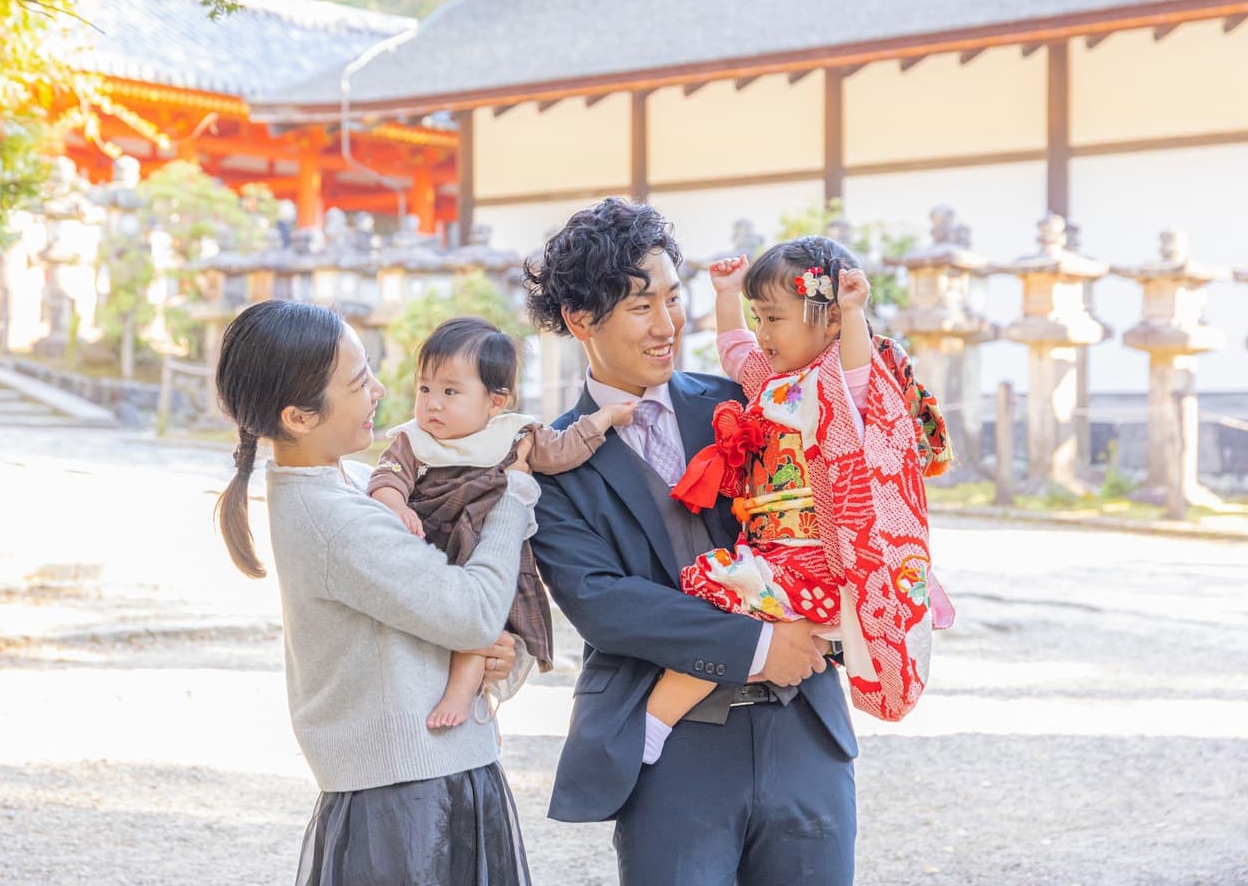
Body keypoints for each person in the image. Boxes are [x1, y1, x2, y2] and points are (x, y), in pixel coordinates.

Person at [524, 198, 858, 886]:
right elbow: (602, 603)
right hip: (670, 751)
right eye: (642, 306)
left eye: (674, 300)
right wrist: (763, 645)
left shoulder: (749, 403)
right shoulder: (552, 458)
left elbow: (837, 510)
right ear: (581, 319)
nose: (669, 324)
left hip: (805, 736)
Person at [213, 300, 535, 886]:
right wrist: (515, 498)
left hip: (425, 778)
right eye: (360, 382)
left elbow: (460, 617)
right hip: (408, 799)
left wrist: (497, 657)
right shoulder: (336, 519)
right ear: (300, 417)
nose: (381, 390)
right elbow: (472, 611)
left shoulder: (358, 485)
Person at [642, 237, 955, 761]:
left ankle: (655, 721)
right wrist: (725, 295)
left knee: (728, 612)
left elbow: (857, 367)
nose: (763, 333)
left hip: (819, 557)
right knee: (736, 626)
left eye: (774, 318)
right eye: (758, 317)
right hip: (774, 551)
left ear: (828, 320)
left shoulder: (841, 384)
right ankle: (669, 721)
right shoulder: (777, 382)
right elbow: (735, 350)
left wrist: (853, 311)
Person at [369, 316, 637, 729]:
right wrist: (394, 504)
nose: (432, 403)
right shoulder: (413, 440)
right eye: (425, 389)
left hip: (482, 552)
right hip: (433, 551)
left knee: (484, 624)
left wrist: (603, 419)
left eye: (450, 391)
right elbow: (387, 477)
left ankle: (465, 691)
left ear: (497, 401)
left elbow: (564, 450)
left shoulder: (517, 436)